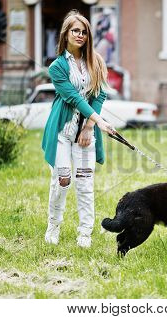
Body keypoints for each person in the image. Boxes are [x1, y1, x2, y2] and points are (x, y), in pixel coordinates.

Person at [41, 10, 116, 248]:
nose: (80, 35)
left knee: (85, 184)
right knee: (62, 181)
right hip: (62, 131)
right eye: (75, 31)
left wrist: (90, 127)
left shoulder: (96, 61)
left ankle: (85, 233)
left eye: (84, 32)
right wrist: (101, 121)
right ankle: (54, 225)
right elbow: (73, 97)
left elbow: (100, 94)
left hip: (85, 134)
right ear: (66, 34)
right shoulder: (57, 67)